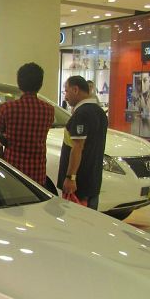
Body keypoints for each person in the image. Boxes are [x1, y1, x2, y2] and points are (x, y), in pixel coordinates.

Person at [0, 63, 54, 189]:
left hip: (12, 170)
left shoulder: (7, 108)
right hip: (38, 172)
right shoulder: (49, 110)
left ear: (19, 83)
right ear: (40, 84)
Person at [57, 76, 108, 209]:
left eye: (66, 91)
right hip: (93, 181)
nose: (65, 96)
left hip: (78, 184)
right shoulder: (100, 113)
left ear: (75, 90)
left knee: (75, 219)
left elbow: (78, 147)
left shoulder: (82, 114)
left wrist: (70, 177)